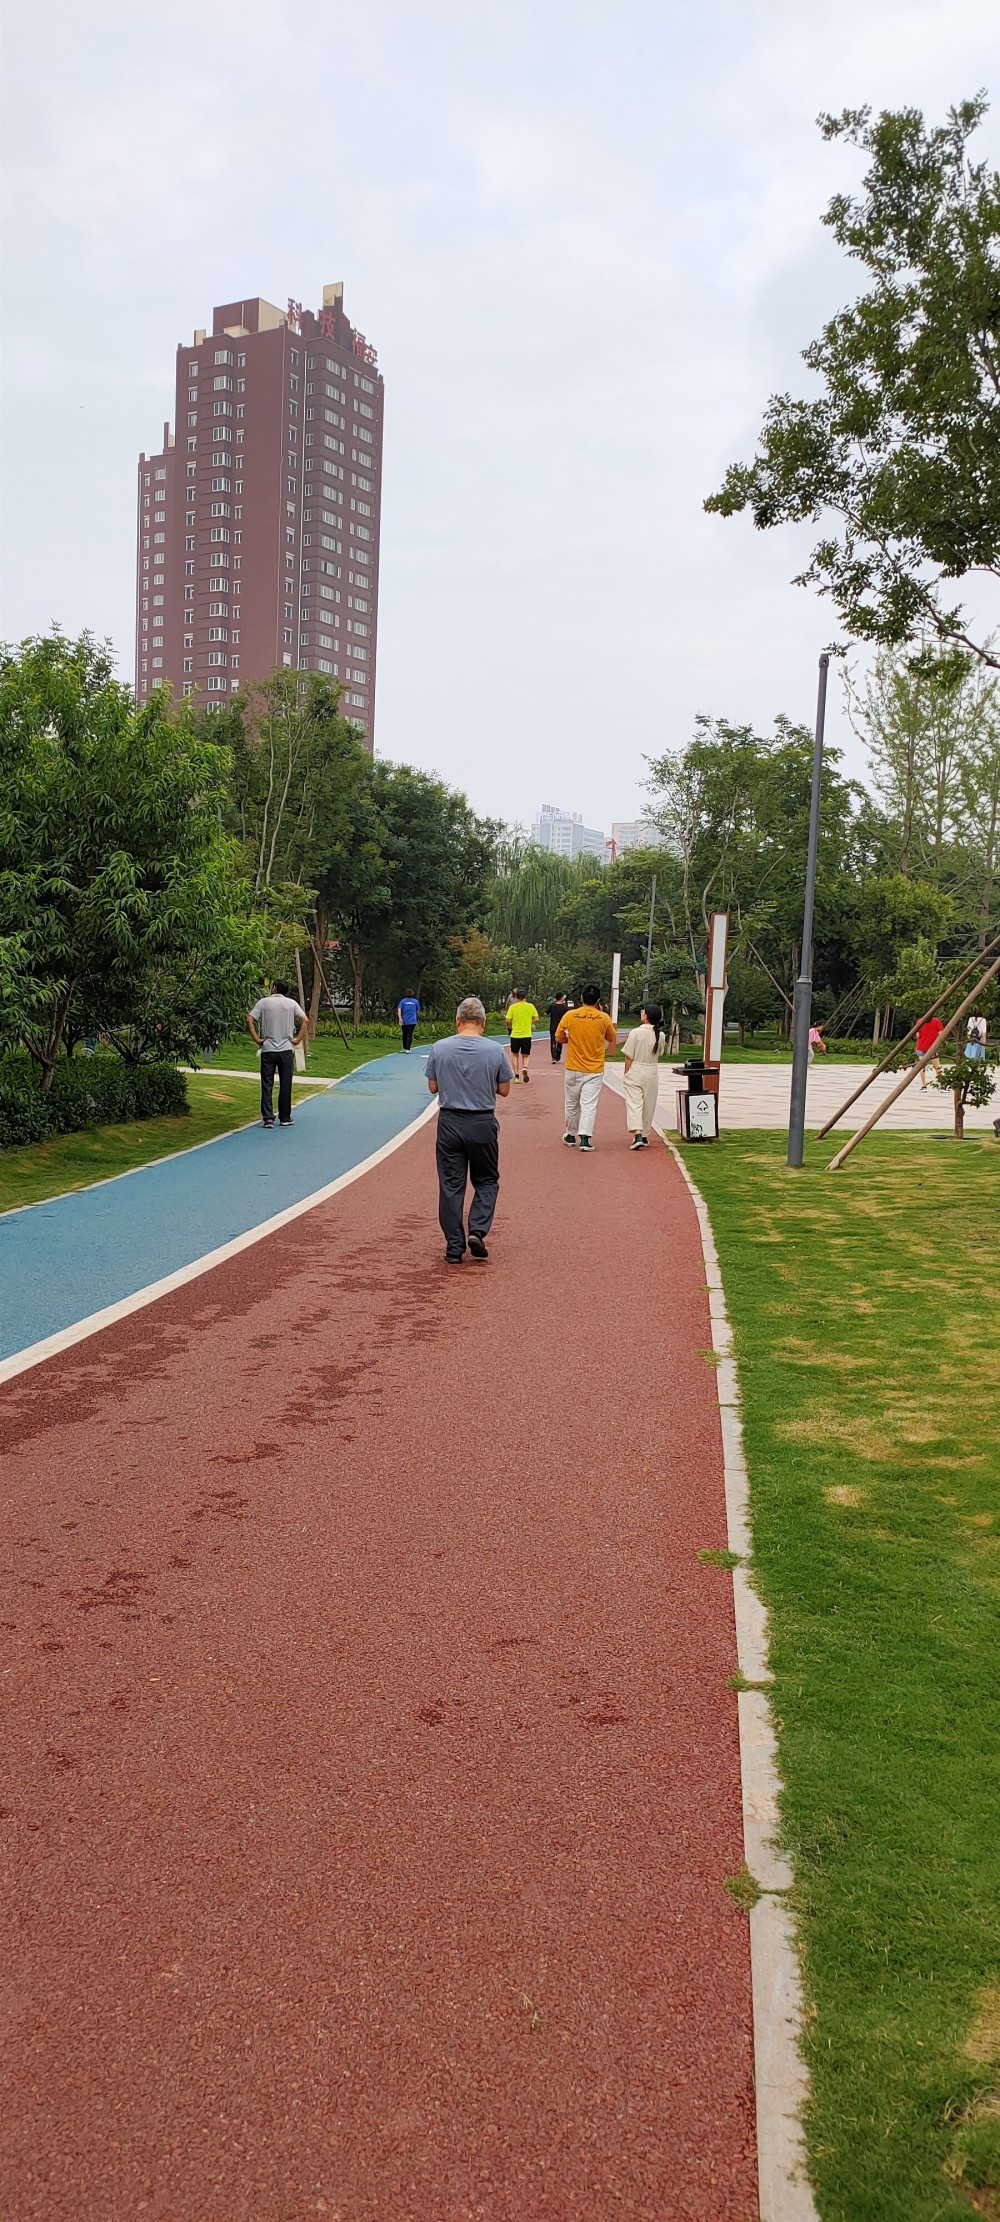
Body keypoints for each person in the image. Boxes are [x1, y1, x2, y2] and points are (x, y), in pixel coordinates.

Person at [425, 996, 513, 1262]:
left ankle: (454, 1247)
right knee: (486, 1180)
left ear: (457, 1021)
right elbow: (505, 1090)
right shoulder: (495, 1050)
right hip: (482, 1122)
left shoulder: (440, 1048)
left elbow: (432, 1087)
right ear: (483, 1023)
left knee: (451, 1185)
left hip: (450, 1121)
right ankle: (477, 1228)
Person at [555, 983, 618, 1152]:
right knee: (589, 1104)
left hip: (573, 1067)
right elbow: (612, 1037)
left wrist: (572, 1039)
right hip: (594, 1069)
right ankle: (585, 1138)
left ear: (581, 998)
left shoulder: (570, 1015)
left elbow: (559, 1037)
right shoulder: (603, 1018)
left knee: (571, 1103)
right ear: (598, 1000)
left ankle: (570, 1133)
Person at [247, 978, 308, 1129]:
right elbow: (305, 1020)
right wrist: (297, 1039)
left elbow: (250, 1019)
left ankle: (268, 1118)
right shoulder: (291, 1003)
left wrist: (257, 1039)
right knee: (285, 1083)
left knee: (267, 1084)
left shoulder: (263, 1002)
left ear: (274, 988)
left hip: (268, 1048)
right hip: (286, 1048)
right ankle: (285, 1117)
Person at [621, 1003, 665, 1149]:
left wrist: (626, 1073)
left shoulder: (635, 1033)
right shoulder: (661, 1035)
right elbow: (660, 1053)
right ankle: (645, 1135)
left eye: (643, 1012)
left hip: (636, 1069)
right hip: (652, 1071)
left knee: (634, 1104)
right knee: (649, 1104)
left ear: (646, 1016)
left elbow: (629, 1056)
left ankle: (638, 1134)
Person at [505, 990, 540, 1084]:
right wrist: (529, 1023)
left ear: (516, 997)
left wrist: (512, 1025)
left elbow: (508, 1020)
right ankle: (525, 1067)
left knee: (515, 1054)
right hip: (527, 1035)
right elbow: (536, 1018)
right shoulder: (530, 1006)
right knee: (525, 1055)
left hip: (515, 1034)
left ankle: (516, 1076)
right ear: (525, 997)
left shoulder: (512, 1007)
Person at [915, 1011, 946, 1088]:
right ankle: (941, 1084)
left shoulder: (919, 1021)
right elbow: (941, 1033)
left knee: (921, 1066)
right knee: (937, 1066)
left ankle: (924, 1085)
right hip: (933, 1047)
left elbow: (917, 1035)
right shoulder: (936, 1021)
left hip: (921, 1047)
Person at [547, 991, 571, 1062]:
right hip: (561, 1027)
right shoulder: (565, 1007)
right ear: (561, 998)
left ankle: (553, 1057)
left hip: (553, 1026)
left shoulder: (552, 1006)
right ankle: (558, 1056)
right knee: (560, 1041)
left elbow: (547, 1012)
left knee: (553, 1041)